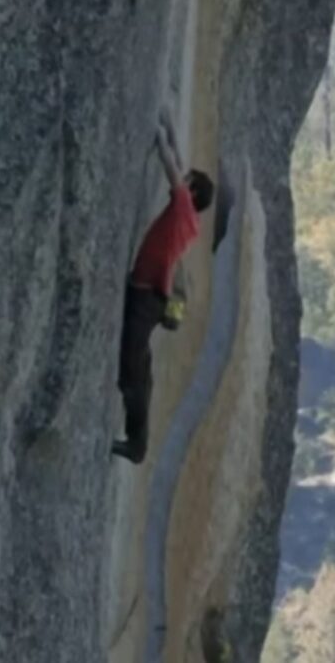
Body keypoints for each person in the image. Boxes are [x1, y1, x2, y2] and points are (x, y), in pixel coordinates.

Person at [112, 114, 215, 463]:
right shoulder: (188, 215)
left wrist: (158, 134)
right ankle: (135, 431)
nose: (183, 181)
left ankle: (137, 444)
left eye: (189, 183)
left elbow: (171, 165)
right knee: (139, 363)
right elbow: (180, 164)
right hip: (148, 294)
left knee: (132, 370)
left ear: (194, 192)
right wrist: (170, 122)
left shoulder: (184, 207)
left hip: (148, 297)